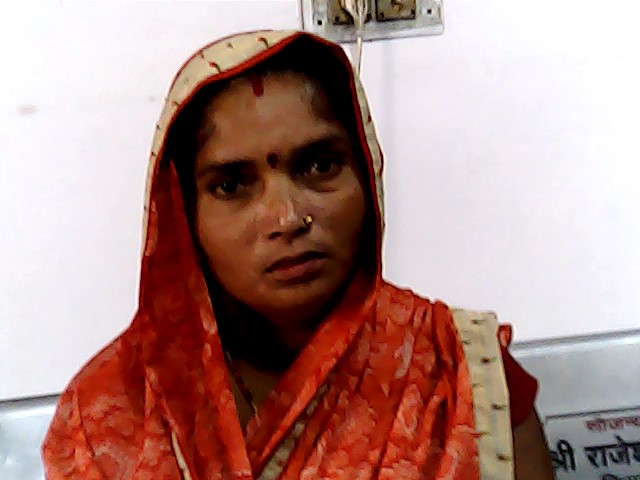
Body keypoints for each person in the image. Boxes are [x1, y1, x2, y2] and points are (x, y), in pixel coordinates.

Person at [42, 30, 554, 479]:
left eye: (320, 166)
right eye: (232, 185)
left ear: (366, 173)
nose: (287, 218)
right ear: (183, 214)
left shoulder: (461, 376)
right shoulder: (109, 409)